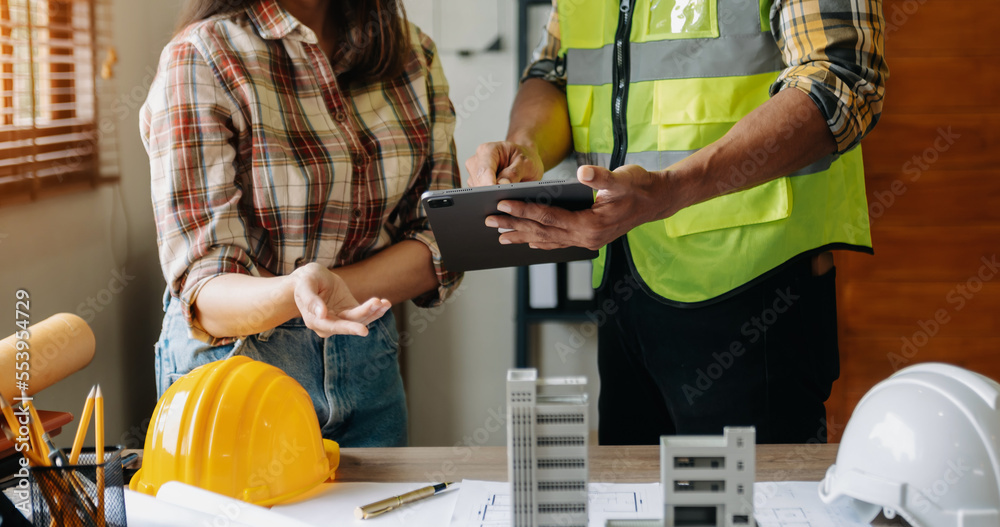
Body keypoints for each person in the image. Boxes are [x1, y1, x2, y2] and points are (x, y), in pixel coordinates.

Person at [467, 0, 887, 445]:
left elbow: (844, 81)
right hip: (623, 281)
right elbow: (554, 72)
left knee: (750, 510)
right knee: (633, 505)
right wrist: (526, 147)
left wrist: (672, 188)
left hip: (754, 286)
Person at [141, 0, 462, 447]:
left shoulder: (412, 52)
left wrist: (327, 288)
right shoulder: (200, 55)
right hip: (235, 367)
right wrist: (298, 292)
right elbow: (205, 293)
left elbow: (442, 241)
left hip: (367, 360)